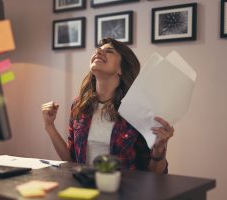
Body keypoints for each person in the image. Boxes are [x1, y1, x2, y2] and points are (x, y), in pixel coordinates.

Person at [41, 37, 174, 173]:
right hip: (84, 189)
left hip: (125, 191)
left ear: (121, 69)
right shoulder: (79, 105)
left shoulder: (138, 111)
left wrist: (159, 150)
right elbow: (71, 160)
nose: (98, 52)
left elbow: (154, 174)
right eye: (98, 50)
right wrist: (49, 126)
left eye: (109, 51)